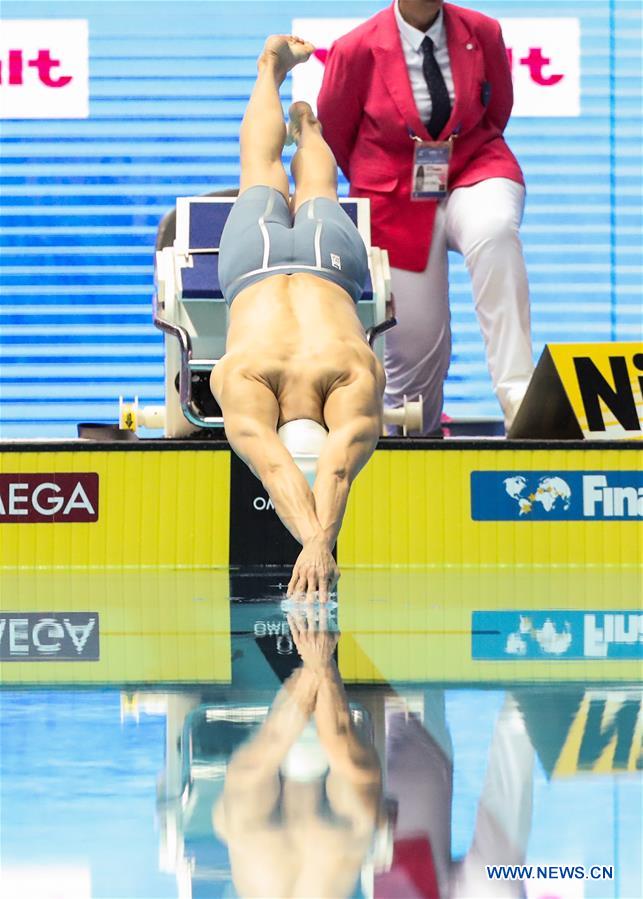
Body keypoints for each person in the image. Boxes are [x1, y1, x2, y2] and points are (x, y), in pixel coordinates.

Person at [210, 35, 386, 601]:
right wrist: (317, 543)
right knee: (260, 171)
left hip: (325, 266)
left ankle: (306, 124)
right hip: (255, 266)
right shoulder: (241, 378)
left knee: (315, 186)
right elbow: (286, 467)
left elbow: (325, 471)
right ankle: (273, 75)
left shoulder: (354, 374)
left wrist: (317, 542)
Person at [317, 0, 534, 434]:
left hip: (474, 167)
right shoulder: (354, 49)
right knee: (416, 351)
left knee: (494, 230)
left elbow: (497, 111)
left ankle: (520, 398)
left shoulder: (483, 32)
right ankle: (418, 438)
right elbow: (336, 132)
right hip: (392, 197)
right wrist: (383, 173)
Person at [212, 608, 383, 898]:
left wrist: (316, 664)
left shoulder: (252, 839)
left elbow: (258, 758)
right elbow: (352, 758)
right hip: (339, 727)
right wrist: (320, 664)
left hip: (268, 725)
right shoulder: (340, 842)